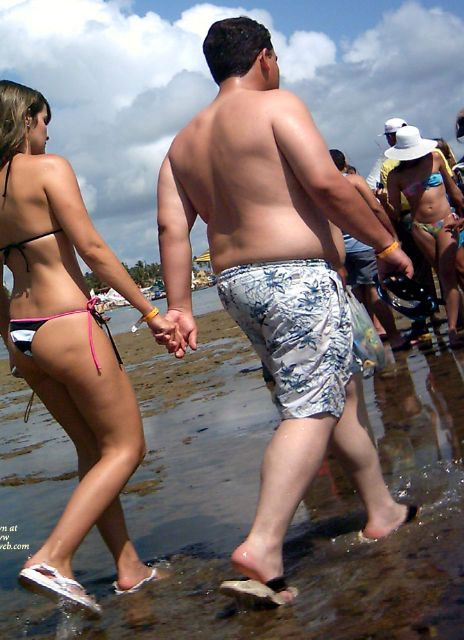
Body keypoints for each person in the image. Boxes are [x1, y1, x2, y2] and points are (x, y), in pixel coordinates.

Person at [156, 17, 416, 606]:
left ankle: (381, 509)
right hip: (296, 279)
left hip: (236, 285)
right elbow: (326, 183)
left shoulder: (182, 142)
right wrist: (387, 244)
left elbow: (173, 228)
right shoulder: (276, 105)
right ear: (265, 58)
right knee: (309, 407)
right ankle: (264, 544)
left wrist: (179, 307)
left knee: (333, 395)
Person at [0, 80, 183, 616]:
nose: (48, 130)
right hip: (68, 322)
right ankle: (53, 558)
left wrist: (12, 350)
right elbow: (91, 248)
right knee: (127, 448)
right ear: (25, 120)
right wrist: (151, 311)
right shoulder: (50, 169)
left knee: (93, 452)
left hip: (24, 332)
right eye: (44, 119)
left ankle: (129, 569)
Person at [386, 126, 464, 349]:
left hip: (445, 221)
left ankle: (452, 329)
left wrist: (461, 213)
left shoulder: (435, 158)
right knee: (443, 273)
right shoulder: (396, 176)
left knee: (451, 272)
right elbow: (396, 214)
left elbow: (453, 190)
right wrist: (383, 204)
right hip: (421, 227)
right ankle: (454, 327)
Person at [329, 149, 408, 350]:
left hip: (341, 248)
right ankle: (394, 336)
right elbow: (375, 208)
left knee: (357, 293)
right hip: (363, 243)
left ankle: (370, 339)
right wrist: (391, 233)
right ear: (344, 163)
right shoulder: (354, 181)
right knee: (375, 289)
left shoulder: (325, 186)